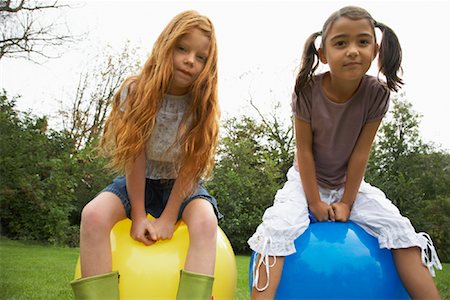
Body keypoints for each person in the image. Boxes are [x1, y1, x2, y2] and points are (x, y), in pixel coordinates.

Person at [248, 6, 442, 299]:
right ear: (323, 53)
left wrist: (347, 202)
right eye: (341, 43)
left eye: (362, 42)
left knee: (401, 231)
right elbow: (304, 152)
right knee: (274, 232)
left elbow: (360, 155)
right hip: (305, 181)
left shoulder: (378, 94)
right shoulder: (307, 89)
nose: (353, 50)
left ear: (375, 49)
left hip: (348, 183)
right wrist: (314, 201)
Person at [70, 10, 222, 300]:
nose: (190, 60)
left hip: (182, 183)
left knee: (205, 221)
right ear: (166, 46)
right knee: (92, 216)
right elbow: (134, 155)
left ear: (208, 65)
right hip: (138, 180)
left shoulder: (201, 104)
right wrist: (138, 214)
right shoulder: (136, 91)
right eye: (182, 49)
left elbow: (192, 165)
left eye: (200, 57)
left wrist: (167, 218)